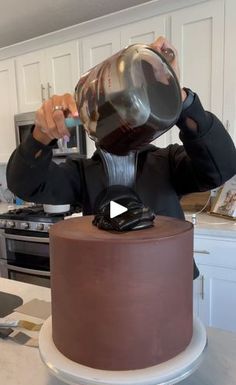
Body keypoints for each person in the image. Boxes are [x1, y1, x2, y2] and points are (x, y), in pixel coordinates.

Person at [6, 36, 236, 241]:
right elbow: (25, 185)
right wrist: (41, 135)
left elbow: (222, 167)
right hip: (110, 278)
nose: (120, 123)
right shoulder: (81, 173)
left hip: (169, 277)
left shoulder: (168, 162)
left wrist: (175, 92)